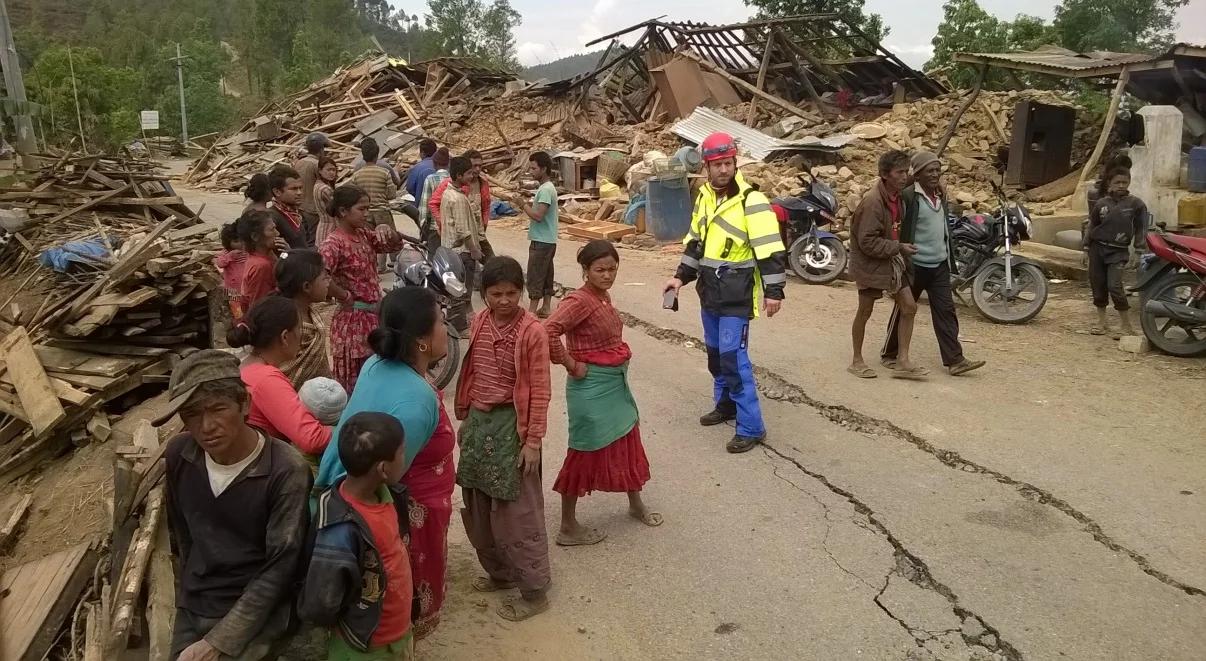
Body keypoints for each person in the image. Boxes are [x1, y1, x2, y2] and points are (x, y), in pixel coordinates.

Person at [155, 349, 312, 661]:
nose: (206, 426)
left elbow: (279, 569)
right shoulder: (180, 456)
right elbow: (183, 538)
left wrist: (218, 641)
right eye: (192, 415)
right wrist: (188, 604)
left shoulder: (284, 470)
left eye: (217, 409)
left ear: (245, 404)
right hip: (198, 601)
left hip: (260, 608)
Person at [315, 286, 452, 639]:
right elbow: (386, 476)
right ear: (422, 340)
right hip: (407, 514)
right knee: (399, 595)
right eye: (440, 320)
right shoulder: (417, 401)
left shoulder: (377, 364)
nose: (445, 325)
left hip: (351, 491)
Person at [662, 132, 787, 454]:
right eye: (717, 164)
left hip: (737, 294)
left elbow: (770, 250)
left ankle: (752, 427)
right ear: (706, 167)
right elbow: (697, 243)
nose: (723, 170)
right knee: (716, 356)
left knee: (734, 358)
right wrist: (679, 278)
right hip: (710, 292)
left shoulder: (752, 201)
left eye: (728, 163)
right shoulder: (704, 197)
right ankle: (726, 405)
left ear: (735, 163)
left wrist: (774, 291)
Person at [455, 256, 551, 622]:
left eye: (512, 293)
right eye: (496, 294)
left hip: (514, 428)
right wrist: (466, 419)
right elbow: (473, 374)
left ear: (522, 292)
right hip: (480, 425)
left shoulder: (532, 332)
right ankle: (501, 574)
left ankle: (534, 590)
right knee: (478, 504)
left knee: (517, 513)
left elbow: (539, 390)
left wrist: (533, 442)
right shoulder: (478, 322)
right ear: (484, 295)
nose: (505, 301)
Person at [546, 240, 660, 546]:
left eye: (612, 269)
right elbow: (549, 331)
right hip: (591, 388)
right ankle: (568, 526)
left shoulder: (602, 297)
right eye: (600, 270)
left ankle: (635, 504)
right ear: (585, 270)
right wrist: (570, 363)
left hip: (614, 384)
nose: (607, 275)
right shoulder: (579, 301)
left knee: (628, 438)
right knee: (584, 450)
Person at [301, 412, 415, 661]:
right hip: (362, 645)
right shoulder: (338, 528)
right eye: (402, 452)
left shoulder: (387, 494)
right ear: (383, 469)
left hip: (396, 631)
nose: (405, 458)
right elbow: (322, 599)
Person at [880, 151, 986, 376]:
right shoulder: (909, 197)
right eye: (930, 171)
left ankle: (955, 360)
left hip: (938, 264)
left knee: (946, 311)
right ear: (917, 175)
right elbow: (897, 221)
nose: (935, 174)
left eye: (938, 170)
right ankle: (890, 354)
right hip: (915, 264)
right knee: (904, 309)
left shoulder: (940, 196)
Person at [848, 149, 927, 380]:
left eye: (906, 172)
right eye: (899, 172)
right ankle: (856, 360)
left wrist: (938, 187)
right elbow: (867, 242)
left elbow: (916, 177)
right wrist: (898, 247)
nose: (905, 176)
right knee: (865, 311)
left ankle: (902, 360)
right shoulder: (873, 202)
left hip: (892, 263)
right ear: (885, 174)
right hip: (871, 264)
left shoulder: (896, 194)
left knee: (909, 307)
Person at [319, 185, 405, 393]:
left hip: (372, 317)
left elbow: (392, 246)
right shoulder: (334, 243)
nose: (367, 214)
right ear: (342, 211)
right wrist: (342, 294)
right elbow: (319, 275)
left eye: (368, 208)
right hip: (352, 323)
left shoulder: (364, 235)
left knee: (378, 374)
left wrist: (388, 230)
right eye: (362, 209)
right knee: (357, 381)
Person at [231, 295, 333, 462]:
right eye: (299, 329)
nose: (301, 335)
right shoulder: (266, 379)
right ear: (285, 337)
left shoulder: (246, 367)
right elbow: (312, 439)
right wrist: (347, 428)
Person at [1085, 166, 1147, 338]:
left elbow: (1142, 228)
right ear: (1109, 184)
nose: (1121, 185)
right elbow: (1092, 226)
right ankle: (1102, 323)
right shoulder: (1101, 204)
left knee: (1115, 286)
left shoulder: (1136, 204)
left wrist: (1139, 251)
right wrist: (1085, 248)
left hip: (1118, 251)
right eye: (1117, 182)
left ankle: (1126, 326)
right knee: (1098, 285)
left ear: (1129, 183)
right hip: (1097, 249)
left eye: (1124, 182)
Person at [275, 249, 334, 388]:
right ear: (307, 287)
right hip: (297, 398)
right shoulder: (290, 326)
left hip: (319, 394)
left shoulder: (310, 311)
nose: (329, 282)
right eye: (324, 278)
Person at [440, 155, 484, 333]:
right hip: (461, 251)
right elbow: (462, 230)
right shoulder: (457, 199)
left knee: (457, 290)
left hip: (451, 249)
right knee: (461, 291)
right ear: (458, 176)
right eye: (468, 174)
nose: (471, 177)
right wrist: (474, 249)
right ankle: (460, 327)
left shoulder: (450, 193)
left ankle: (462, 320)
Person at [429, 149, 494, 258]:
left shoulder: (482, 183)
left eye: (480, 166)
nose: (477, 169)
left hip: (477, 232)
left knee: (491, 263)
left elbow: (485, 206)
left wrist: (484, 223)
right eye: (474, 166)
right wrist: (444, 224)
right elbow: (433, 203)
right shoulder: (452, 185)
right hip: (461, 236)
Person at [349, 138, 400, 272]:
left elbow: (353, 194)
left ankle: (375, 266)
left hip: (365, 212)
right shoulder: (384, 172)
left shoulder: (357, 174)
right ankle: (390, 264)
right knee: (387, 237)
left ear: (363, 155)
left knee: (369, 239)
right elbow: (391, 194)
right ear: (377, 155)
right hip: (382, 210)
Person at [520, 151, 559, 318]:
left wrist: (522, 205)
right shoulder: (547, 188)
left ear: (543, 169)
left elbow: (538, 216)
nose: (531, 171)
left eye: (534, 168)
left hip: (541, 240)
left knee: (535, 274)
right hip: (549, 239)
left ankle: (532, 311)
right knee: (547, 272)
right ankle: (546, 307)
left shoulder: (545, 190)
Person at [237, 210, 282, 310]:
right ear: (255, 237)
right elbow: (260, 305)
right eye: (272, 229)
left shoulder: (265, 255)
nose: (277, 233)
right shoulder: (261, 266)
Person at [293, 132, 329, 245]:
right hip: (313, 209)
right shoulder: (317, 165)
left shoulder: (299, 163)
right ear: (321, 149)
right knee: (314, 240)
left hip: (300, 206)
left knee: (304, 237)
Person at [268, 165, 309, 249]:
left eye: (300, 188)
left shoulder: (297, 214)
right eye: (294, 189)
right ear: (277, 192)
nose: (299, 192)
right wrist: (289, 253)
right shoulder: (271, 218)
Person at [215, 222, 248, 322]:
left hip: (246, 286)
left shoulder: (247, 250)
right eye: (236, 241)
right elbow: (220, 263)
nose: (241, 244)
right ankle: (239, 325)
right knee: (237, 311)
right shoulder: (226, 252)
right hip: (232, 288)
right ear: (228, 242)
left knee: (247, 308)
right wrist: (230, 256)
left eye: (242, 240)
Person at [417, 147, 451, 237]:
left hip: (434, 226)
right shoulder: (453, 179)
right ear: (448, 164)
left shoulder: (430, 179)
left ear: (434, 164)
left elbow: (424, 206)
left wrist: (422, 226)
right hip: (451, 227)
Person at [314, 156, 339, 247]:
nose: (332, 173)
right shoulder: (325, 188)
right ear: (320, 171)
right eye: (328, 170)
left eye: (333, 170)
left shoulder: (318, 184)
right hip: (329, 228)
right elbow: (337, 207)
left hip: (323, 227)